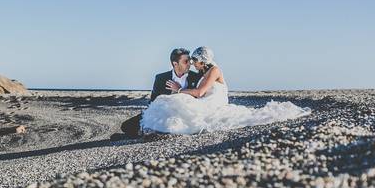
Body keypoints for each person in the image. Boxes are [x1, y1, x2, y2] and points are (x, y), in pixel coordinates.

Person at [139, 46, 310, 135]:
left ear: (202, 61)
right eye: (189, 61)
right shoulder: (203, 72)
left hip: (212, 103)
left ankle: (162, 130)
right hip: (204, 100)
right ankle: (151, 129)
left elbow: (198, 92)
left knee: (186, 111)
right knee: (178, 107)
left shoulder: (214, 71)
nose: (192, 64)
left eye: (194, 61)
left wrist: (178, 90)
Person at [121, 48, 202, 136]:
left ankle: (139, 135)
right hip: (161, 114)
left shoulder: (195, 77)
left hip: (185, 115)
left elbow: (198, 97)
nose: (190, 64)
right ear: (175, 64)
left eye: (189, 61)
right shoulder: (161, 78)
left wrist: (179, 90)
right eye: (186, 61)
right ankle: (138, 133)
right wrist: (149, 116)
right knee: (126, 126)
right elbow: (153, 100)